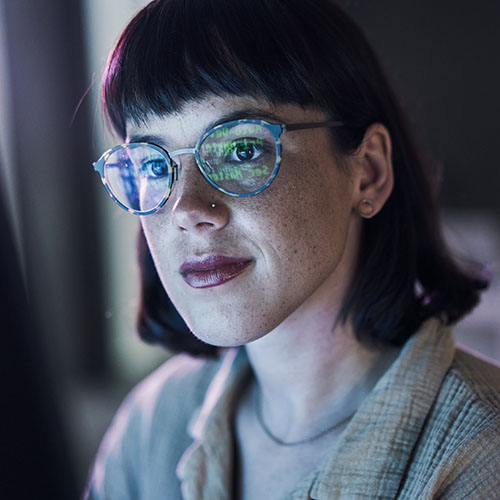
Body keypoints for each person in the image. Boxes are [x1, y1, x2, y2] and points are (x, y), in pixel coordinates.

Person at [84, 0, 500, 498]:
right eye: (153, 166)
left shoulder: (480, 456)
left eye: (242, 149)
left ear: (368, 172)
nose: (186, 208)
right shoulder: (152, 427)